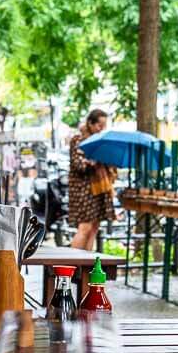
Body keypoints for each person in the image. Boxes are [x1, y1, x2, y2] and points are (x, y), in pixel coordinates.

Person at [68, 108, 113, 252]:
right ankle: (72, 266)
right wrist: (93, 161)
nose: (101, 129)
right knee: (85, 227)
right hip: (83, 189)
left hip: (98, 189)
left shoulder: (100, 141)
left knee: (94, 227)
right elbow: (78, 164)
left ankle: (86, 266)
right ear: (90, 123)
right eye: (99, 125)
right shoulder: (78, 139)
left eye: (104, 126)